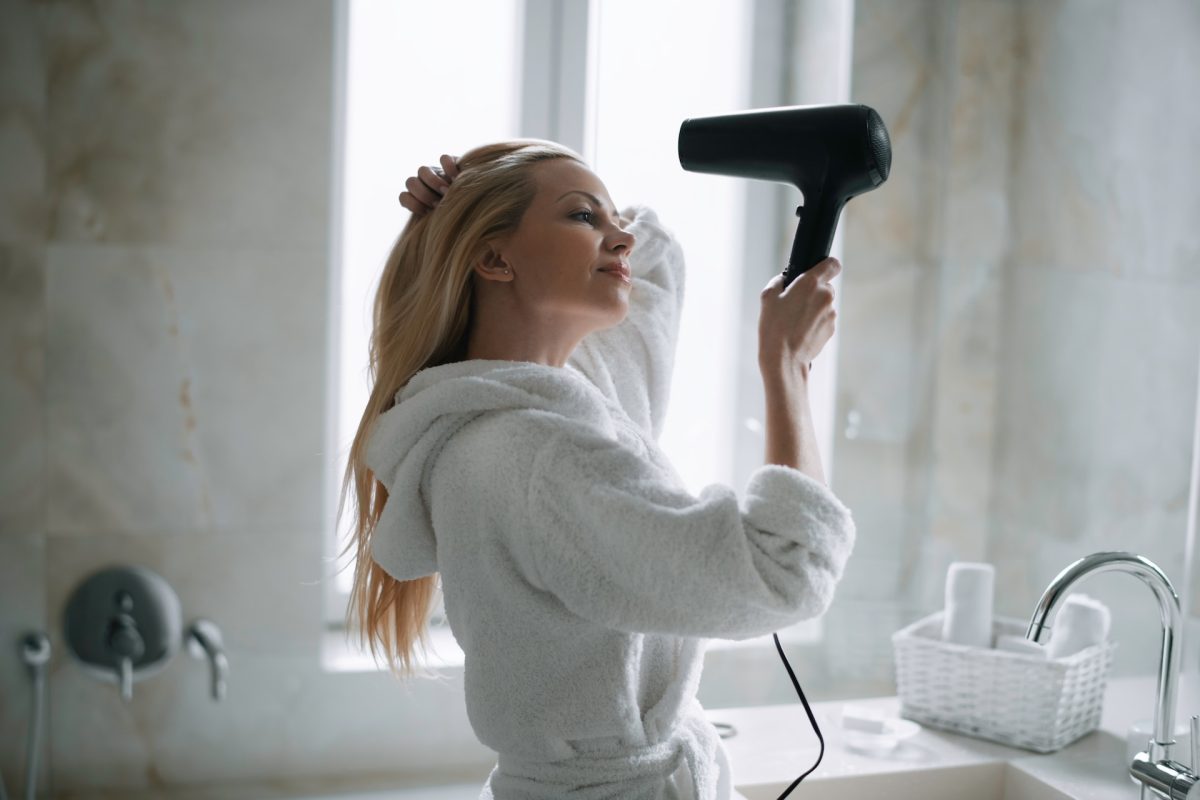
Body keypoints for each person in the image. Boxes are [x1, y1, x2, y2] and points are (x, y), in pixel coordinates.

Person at [339, 139, 856, 800]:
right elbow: (784, 573)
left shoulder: (562, 400)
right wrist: (787, 367)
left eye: (613, 221)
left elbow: (656, 251)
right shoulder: (538, 458)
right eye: (585, 218)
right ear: (494, 258)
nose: (623, 239)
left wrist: (469, 192)